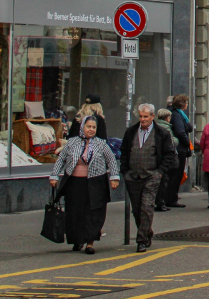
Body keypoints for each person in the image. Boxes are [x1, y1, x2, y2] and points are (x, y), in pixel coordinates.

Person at [49, 116, 119, 254]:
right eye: (88, 127)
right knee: (75, 212)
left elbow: (111, 160)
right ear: (83, 127)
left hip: (96, 182)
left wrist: (114, 177)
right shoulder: (72, 142)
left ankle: (90, 243)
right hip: (74, 183)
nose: (91, 130)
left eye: (94, 127)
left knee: (93, 213)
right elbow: (61, 159)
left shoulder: (101, 144)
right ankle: (77, 240)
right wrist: (54, 175)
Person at [119, 103, 178, 252]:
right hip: (133, 176)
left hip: (151, 175)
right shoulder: (131, 132)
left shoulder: (161, 133)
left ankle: (141, 240)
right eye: (140, 116)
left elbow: (170, 154)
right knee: (137, 210)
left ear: (152, 117)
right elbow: (124, 152)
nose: (143, 119)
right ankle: (147, 231)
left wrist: (160, 172)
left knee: (147, 207)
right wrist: (125, 172)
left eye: (146, 116)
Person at [167, 94, 194, 207]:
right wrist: (188, 143)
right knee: (176, 174)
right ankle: (171, 198)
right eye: (186, 103)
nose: (187, 105)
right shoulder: (177, 115)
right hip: (179, 149)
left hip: (179, 148)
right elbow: (180, 131)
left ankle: (170, 197)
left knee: (175, 174)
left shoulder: (178, 114)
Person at [154, 108, 181, 212]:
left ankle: (159, 201)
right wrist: (177, 140)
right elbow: (172, 142)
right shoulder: (167, 128)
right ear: (167, 117)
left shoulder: (155, 126)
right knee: (164, 180)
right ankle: (161, 202)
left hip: (159, 155)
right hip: (165, 156)